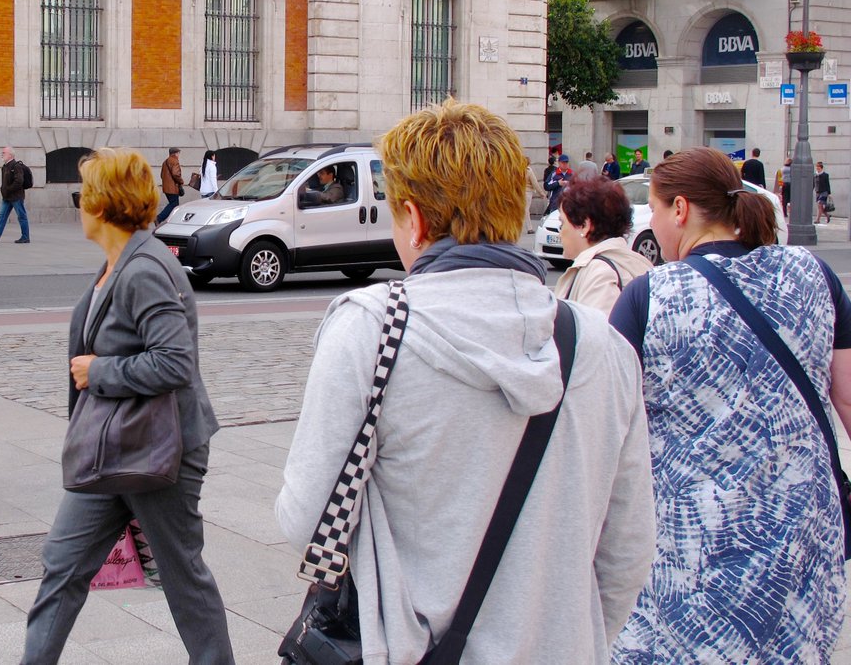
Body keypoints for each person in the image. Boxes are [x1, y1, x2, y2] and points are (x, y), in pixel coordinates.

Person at [277, 98, 655, 664]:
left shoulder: (372, 325)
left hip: (409, 648)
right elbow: (626, 551)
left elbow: (307, 517)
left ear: (416, 218)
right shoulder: (602, 345)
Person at [609, 148, 851, 663]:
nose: (651, 222)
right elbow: (848, 397)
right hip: (803, 537)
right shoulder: (811, 275)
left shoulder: (652, 296)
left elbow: (607, 425)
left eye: (653, 209)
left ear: (680, 210)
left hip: (689, 550)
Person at [23, 148, 234, 665]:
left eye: (83, 194)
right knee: (63, 565)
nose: (78, 204)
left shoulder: (144, 269)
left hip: (161, 451)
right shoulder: (117, 262)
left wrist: (99, 371)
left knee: (182, 576)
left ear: (101, 204)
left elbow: (174, 362)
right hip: (115, 449)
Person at [552, 178, 651, 313]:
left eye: (562, 223)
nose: (560, 233)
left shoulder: (600, 274)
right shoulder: (629, 263)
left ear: (584, 225)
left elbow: (597, 331)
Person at [0, 146, 30, 243]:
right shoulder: (5, 166)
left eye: (4, 152)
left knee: (21, 216)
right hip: (7, 197)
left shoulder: (16, 166)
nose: (2, 154)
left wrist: (8, 189)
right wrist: (4, 190)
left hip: (16, 197)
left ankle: (25, 237)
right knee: (2, 216)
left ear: (10, 155)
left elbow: (19, 181)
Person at [155, 147, 184, 225]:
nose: (179, 155)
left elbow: (161, 175)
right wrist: (181, 181)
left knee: (174, 205)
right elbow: (175, 174)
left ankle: (172, 221)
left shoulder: (165, 162)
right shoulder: (175, 161)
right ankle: (159, 218)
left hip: (167, 188)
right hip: (173, 188)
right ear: (175, 153)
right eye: (178, 153)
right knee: (173, 204)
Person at [524, 157, 548, 234]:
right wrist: (541, 193)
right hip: (527, 192)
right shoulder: (529, 171)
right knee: (526, 210)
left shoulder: (516, 170)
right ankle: (529, 228)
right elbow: (535, 183)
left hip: (518, 192)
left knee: (520, 210)